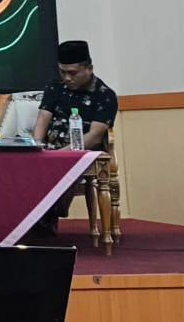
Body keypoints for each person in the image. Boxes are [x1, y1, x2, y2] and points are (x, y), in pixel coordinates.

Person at [29, 40, 118, 236]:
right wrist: (35, 145)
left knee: (65, 167)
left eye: (73, 73)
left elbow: (95, 136)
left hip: (82, 151)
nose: (67, 78)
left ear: (89, 69)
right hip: (49, 148)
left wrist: (61, 154)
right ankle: (26, 217)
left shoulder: (105, 95)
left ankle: (47, 215)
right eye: (62, 72)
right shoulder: (55, 87)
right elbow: (43, 117)